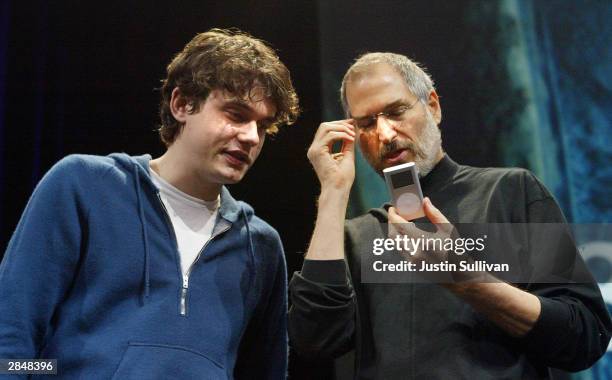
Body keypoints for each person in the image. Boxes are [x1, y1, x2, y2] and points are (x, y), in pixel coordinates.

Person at [288, 52, 611, 379]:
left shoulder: (511, 192)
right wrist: (333, 191)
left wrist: (465, 279)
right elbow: (314, 341)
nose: (385, 134)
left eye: (397, 111)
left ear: (433, 106)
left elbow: (586, 333)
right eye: (367, 123)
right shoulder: (356, 237)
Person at [0, 28, 299, 379]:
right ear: (182, 104)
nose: (250, 137)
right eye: (236, 114)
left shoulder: (260, 245)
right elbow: (11, 338)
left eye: (263, 127)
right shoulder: (83, 185)